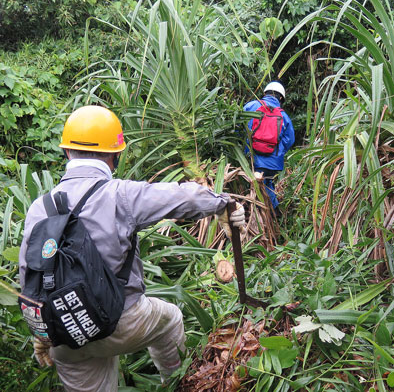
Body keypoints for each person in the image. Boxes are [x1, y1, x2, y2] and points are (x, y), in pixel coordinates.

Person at [18, 105, 245, 391]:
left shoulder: (39, 207)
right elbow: (180, 196)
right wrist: (222, 204)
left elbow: (29, 276)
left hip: (64, 332)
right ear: (115, 156)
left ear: (66, 153)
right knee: (170, 320)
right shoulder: (120, 194)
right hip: (121, 324)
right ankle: (176, 384)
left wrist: (43, 334)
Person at [244, 80, 295, 211]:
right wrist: (277, 151)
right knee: (267, 184)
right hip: (271, 163)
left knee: (246, 186)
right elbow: (290, 139)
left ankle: (250, 214)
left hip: (249, 159)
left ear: (265, 93)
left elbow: (238, 128)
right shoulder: (283, 116)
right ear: (281, 98)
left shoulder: (251, 106)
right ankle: (273, 214)